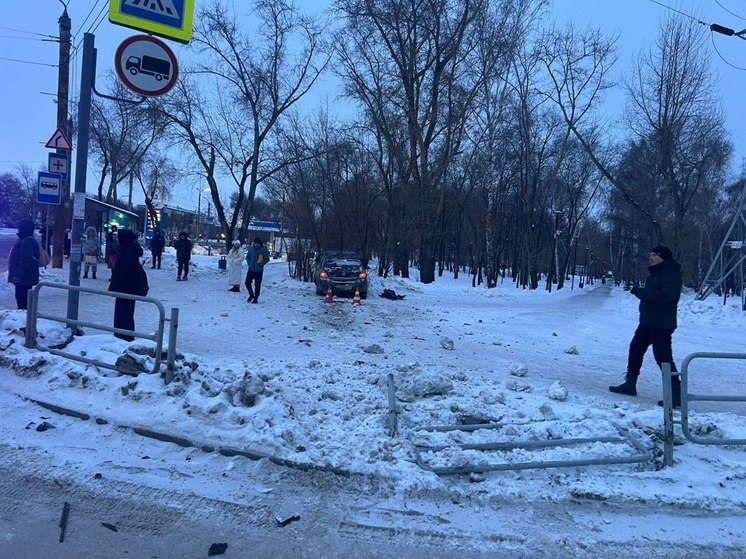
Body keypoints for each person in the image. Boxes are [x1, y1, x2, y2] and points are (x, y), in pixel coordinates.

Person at [609, 245, 683, 407]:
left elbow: (666, 296)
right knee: (635, 348)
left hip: (661, 323)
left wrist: (641, 292)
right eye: (650, 254)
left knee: (663, 357)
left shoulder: (670, 273)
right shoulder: (658, 273)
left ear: (663, 257)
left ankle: (676, 395)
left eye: (654, 254)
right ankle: (630, 384)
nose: (650, 257)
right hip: (649, 321)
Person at [108, 229, 148, 342]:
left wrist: (117, 284)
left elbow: (124, 273)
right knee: (126, 316)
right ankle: (124, 337)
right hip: (126, 290)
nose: (117, 240)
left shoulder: (127, 254)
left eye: (118, 237)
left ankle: (123, 339)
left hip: (125, 290)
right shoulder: (128, 251)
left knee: (123, 317)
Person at [7, 219, 40, 310]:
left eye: (19, 228)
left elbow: (25, 261)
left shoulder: (27, 241)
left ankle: (25, 319)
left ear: (24, 229)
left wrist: (17, 275)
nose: (17, 230)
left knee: (22, 300)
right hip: (24, 277)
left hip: (25, 278)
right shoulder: (24, 239)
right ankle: (24, 317)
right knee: (22, 299)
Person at [245, 237, 270, 303]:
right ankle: (251, 294)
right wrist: (249, 263)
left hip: (259, 270)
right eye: (254, 243)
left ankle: (256, 298)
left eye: (257, 243)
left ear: (259, 243)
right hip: (251, 269)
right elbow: (247, 257)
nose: (255, 244)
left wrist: (261, 264)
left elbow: (267, 259)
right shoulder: (251, 249)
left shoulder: (263, 250)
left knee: (257, 285)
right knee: (247, 283)